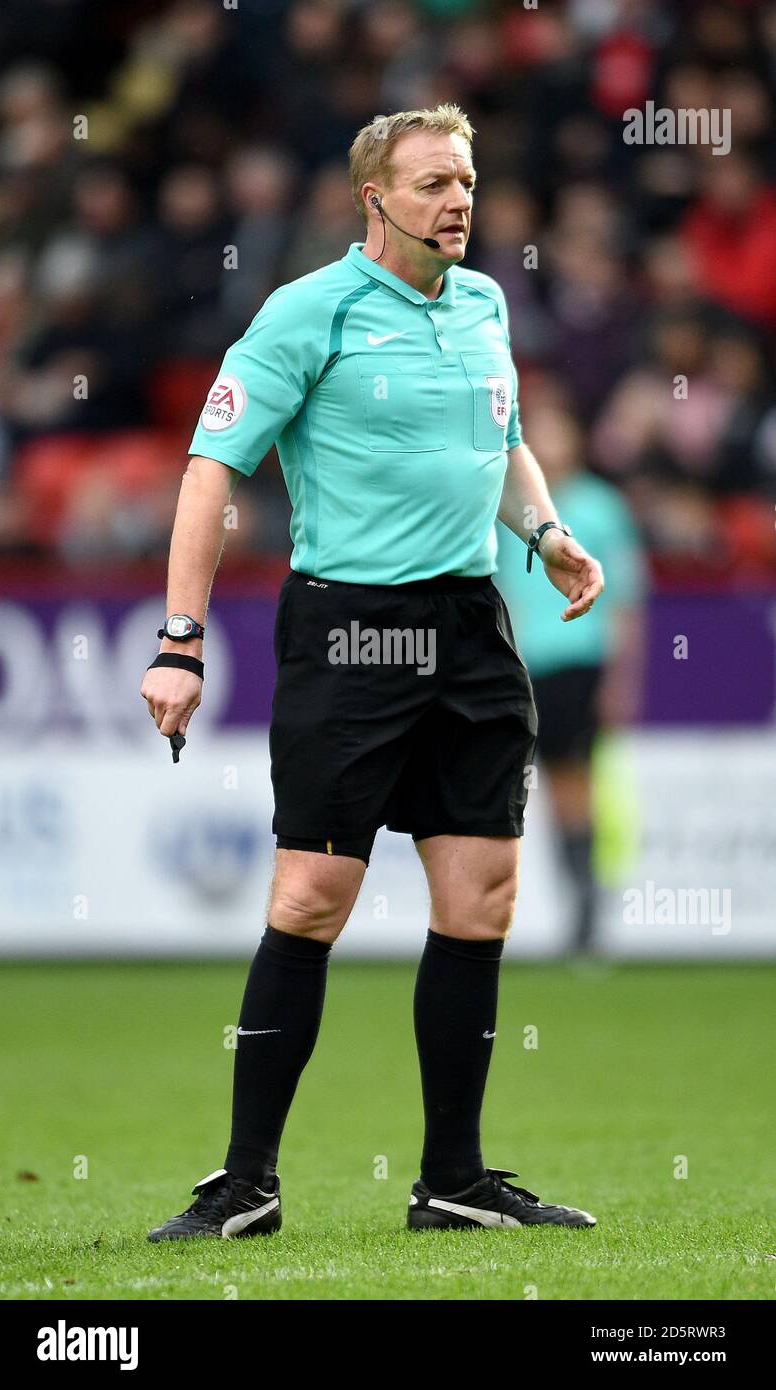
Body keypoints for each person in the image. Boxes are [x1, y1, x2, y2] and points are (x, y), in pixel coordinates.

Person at [140, 104, 603, 1241]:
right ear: (375, 198)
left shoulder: (487, 304)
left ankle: (452, 1177)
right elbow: (212, 468)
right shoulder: (308, 313)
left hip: (470, 627)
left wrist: (543, 533)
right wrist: (179, 638)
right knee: (311, 897)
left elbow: (500, 446)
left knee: (482, 896)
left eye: (469, 182)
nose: (459, 201)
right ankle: (244, 1181)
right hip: (350, 630)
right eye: (437, 182)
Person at [494, 406, 646, 954]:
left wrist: (620, 680)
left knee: (572, 787)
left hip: (578, 666)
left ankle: (585, 914)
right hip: (515, 668)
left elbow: (627, 602)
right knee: (499, 789)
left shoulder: (600, 507)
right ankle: (491, 914)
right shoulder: (512, 508)